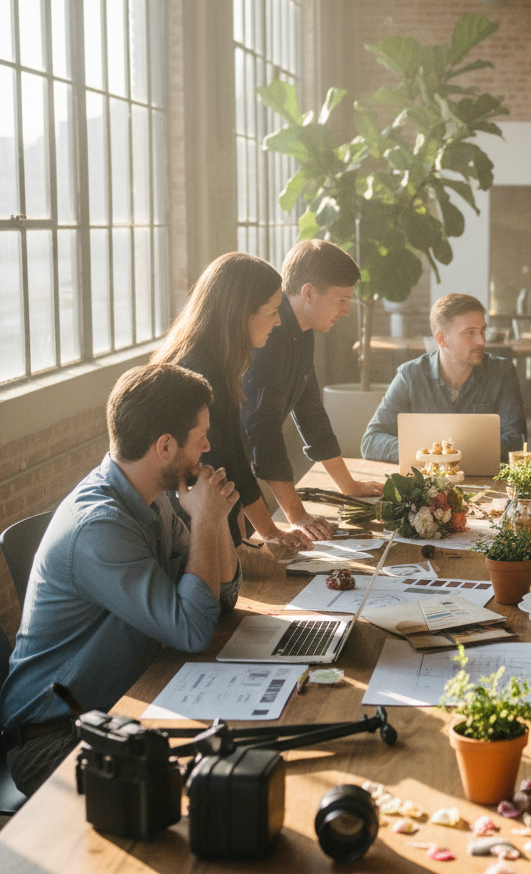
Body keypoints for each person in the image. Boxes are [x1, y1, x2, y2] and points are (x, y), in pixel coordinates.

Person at [1, 364, 241, 796]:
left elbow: (221, 597)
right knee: (215, 791)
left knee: (234, 757)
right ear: (165, 445)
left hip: (121, 710)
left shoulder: (155, 499)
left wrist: (216, 516)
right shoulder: (100, 527)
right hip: (55, 740)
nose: (208, 445)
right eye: (200, 435)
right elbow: (192, 630)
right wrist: (205, 520)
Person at [152, 252, 301, 546]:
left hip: (206, 518)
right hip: (184, 531)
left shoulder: (218, 361)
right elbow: (214, 474)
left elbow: (234, 461)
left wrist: (270, 534)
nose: (279, 321)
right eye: (272, 311)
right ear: (241, 312)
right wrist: (245, 551)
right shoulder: (198, 371)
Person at [242, 240, 383, 543]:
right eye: (342, 299)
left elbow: (309, 411)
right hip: (225, 472)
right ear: (308, 293)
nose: (346, 311)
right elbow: (263, 431)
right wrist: (297, 515)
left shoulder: (302, 331)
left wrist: (349, 485)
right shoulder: (269, 334)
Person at [361, 293, 526, 464]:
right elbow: (371, 441)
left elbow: (516, 440)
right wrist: (429, 454)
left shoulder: (501, 372)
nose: (481, 341)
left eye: (482, 331)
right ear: (441, 339)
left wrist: (449, 454)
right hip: (427, 484)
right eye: (470, 333)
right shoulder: (410, 376)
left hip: (486, 484)